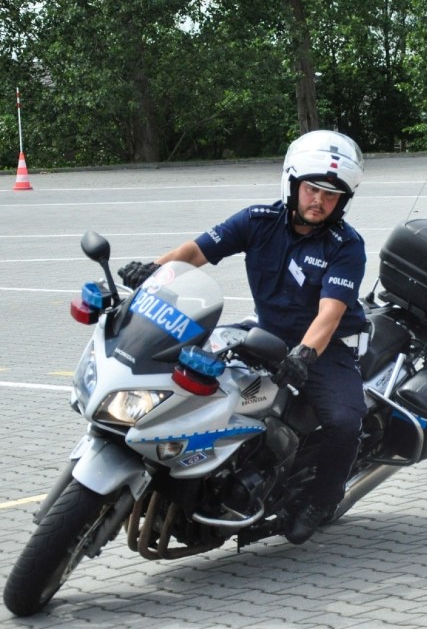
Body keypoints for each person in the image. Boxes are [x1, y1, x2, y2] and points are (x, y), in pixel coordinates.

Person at [118, 130, 368, 545]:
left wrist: (304, 356)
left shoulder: (346, 246)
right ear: (292, 184)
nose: (319, 201)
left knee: (344, 420)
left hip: (324, 348)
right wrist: (151, 270)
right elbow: (196, 252)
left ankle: (322, 500)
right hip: (264, 332)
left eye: (331, 195)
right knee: (195, 373)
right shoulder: (257, 221)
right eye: (312, 189)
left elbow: (330, 313)